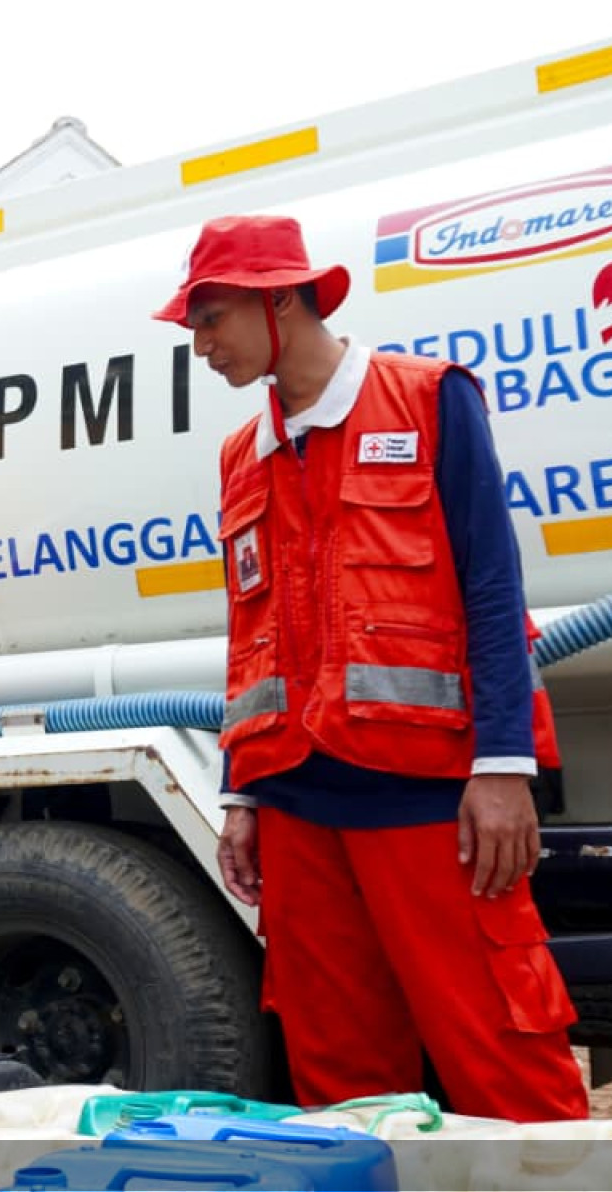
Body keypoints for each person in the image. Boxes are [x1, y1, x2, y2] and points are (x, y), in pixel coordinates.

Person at [154, 213, 588, 1122]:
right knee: (341, 1080)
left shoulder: (429, 398)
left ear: (279, 299)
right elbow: (253, 634)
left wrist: (503, 766)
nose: (200, 346)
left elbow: (493, 592)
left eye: (211, 318)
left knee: (502, 1056)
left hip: (432, 798)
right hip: (300, 810)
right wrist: (242, 795)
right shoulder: (244, 455)